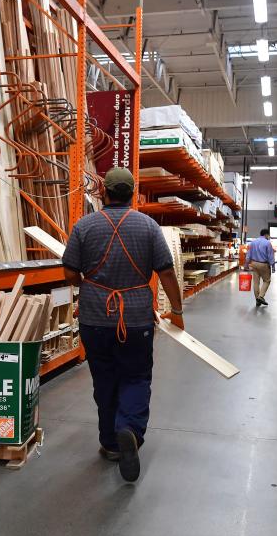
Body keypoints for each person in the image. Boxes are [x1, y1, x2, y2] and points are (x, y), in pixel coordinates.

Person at [62, 167, 185, 482]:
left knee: (104, 379)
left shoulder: (83, 226)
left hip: (94, 316)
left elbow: (70, 274)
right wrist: (177, 310)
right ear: (132, 194)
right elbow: (167, 272)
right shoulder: (148, 227)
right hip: (135, 317)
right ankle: (128, 429)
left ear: (103, 193)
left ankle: (110, 443)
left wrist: (89, 278)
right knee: (135, 376)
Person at [246, 229, 275, 307]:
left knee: (256, 282)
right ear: (266, 235)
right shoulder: (267, 243)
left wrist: (246, 264)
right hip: (263, 264)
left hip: (254, 264)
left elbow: (248, 255)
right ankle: (261, 296)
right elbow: (270, 256)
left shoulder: (253, 242)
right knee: (267, 281)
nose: (268, 237)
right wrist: (273, 266)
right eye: (268, 235)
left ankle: (257, 300)